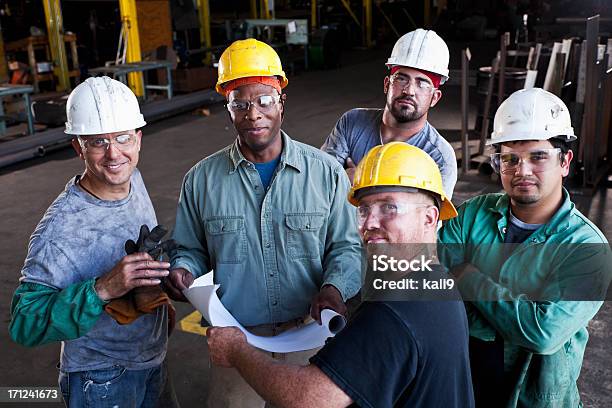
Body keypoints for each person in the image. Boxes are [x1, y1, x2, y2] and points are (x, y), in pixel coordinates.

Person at [164, 38, 362, 407]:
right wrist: (183, 270)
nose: (253, 113)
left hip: (309, 338)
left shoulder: (327, 174)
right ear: (228, 109)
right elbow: (189, 249)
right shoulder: (200, 181)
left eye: (264, 100)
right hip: (237, 342)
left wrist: (334, 288)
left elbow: (346, 246)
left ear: (282, 102)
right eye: (240, 103)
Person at [206, 143, 475, 408]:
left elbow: (309, 398)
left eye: (389, 207)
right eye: (364, 209)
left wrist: (236, 350)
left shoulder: (394, 310)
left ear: (430, 219)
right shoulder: (438, 283)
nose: (369, 223)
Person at [438, 88, 611, 407]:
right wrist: (512, 312)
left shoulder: (587, 247)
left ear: (565, 161)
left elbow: (542, 333)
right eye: (509, 158)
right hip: (463, 389)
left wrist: (466, 277)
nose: (522, 170)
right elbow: (432, 283)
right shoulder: (471, 216)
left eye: (538, 157)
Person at [9, 77, 171, 406]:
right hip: (101, 378)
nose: (114, 154)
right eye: (98, 142)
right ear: (78, 147)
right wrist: (102, 289)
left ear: (138, 140)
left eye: (123, 138)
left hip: (152, 360)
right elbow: (24, 323)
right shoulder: (61, 228)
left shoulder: (133, 179)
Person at [321, 28, 457, 198]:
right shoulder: (352, 122)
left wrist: (359, 181)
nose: (409, 91)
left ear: (435, 97)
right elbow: (320, 184)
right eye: (401, 78)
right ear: (387, 84)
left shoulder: (439, 158)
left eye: (422, 83)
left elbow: (428, 221)